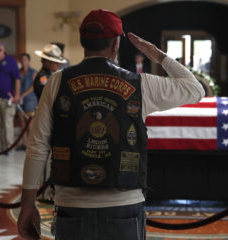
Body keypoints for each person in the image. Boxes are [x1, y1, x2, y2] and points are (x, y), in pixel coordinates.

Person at [18, 9, 204, 240]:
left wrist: (27, 204)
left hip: (71, 204)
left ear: (82, 41)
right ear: (116, 45)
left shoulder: (56, 82)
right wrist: (158, 56)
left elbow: (37, 147)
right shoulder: (140, 84)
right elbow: (196, 90)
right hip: (124, 204)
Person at [17, 53, 37, 151]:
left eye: (25, 59)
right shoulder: (18, 72)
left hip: (30, 99)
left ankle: (30, 144)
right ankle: (24, 144)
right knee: (22, 122)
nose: (23, 61)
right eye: (22, 59)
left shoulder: (33, 72)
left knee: (29, 123)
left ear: (29, 61)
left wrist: (23, 95)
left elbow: (33, 86)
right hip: (19, 100)